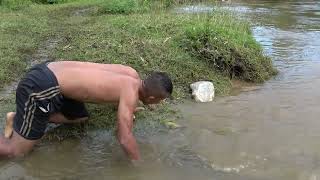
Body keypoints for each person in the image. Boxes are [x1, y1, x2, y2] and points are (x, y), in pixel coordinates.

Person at [0, 61, 173, 160]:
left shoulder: (131, 74)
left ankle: (20, 117)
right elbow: (124, 138)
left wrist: (131, 109)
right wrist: (140, 165)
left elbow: (114, 91)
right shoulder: (131, 94)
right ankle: (23, 119)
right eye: (159, 101)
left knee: (80, 117)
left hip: (51, 70)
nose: (157, 104)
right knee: (16, 152)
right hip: (41, 86)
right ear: (152, 98)